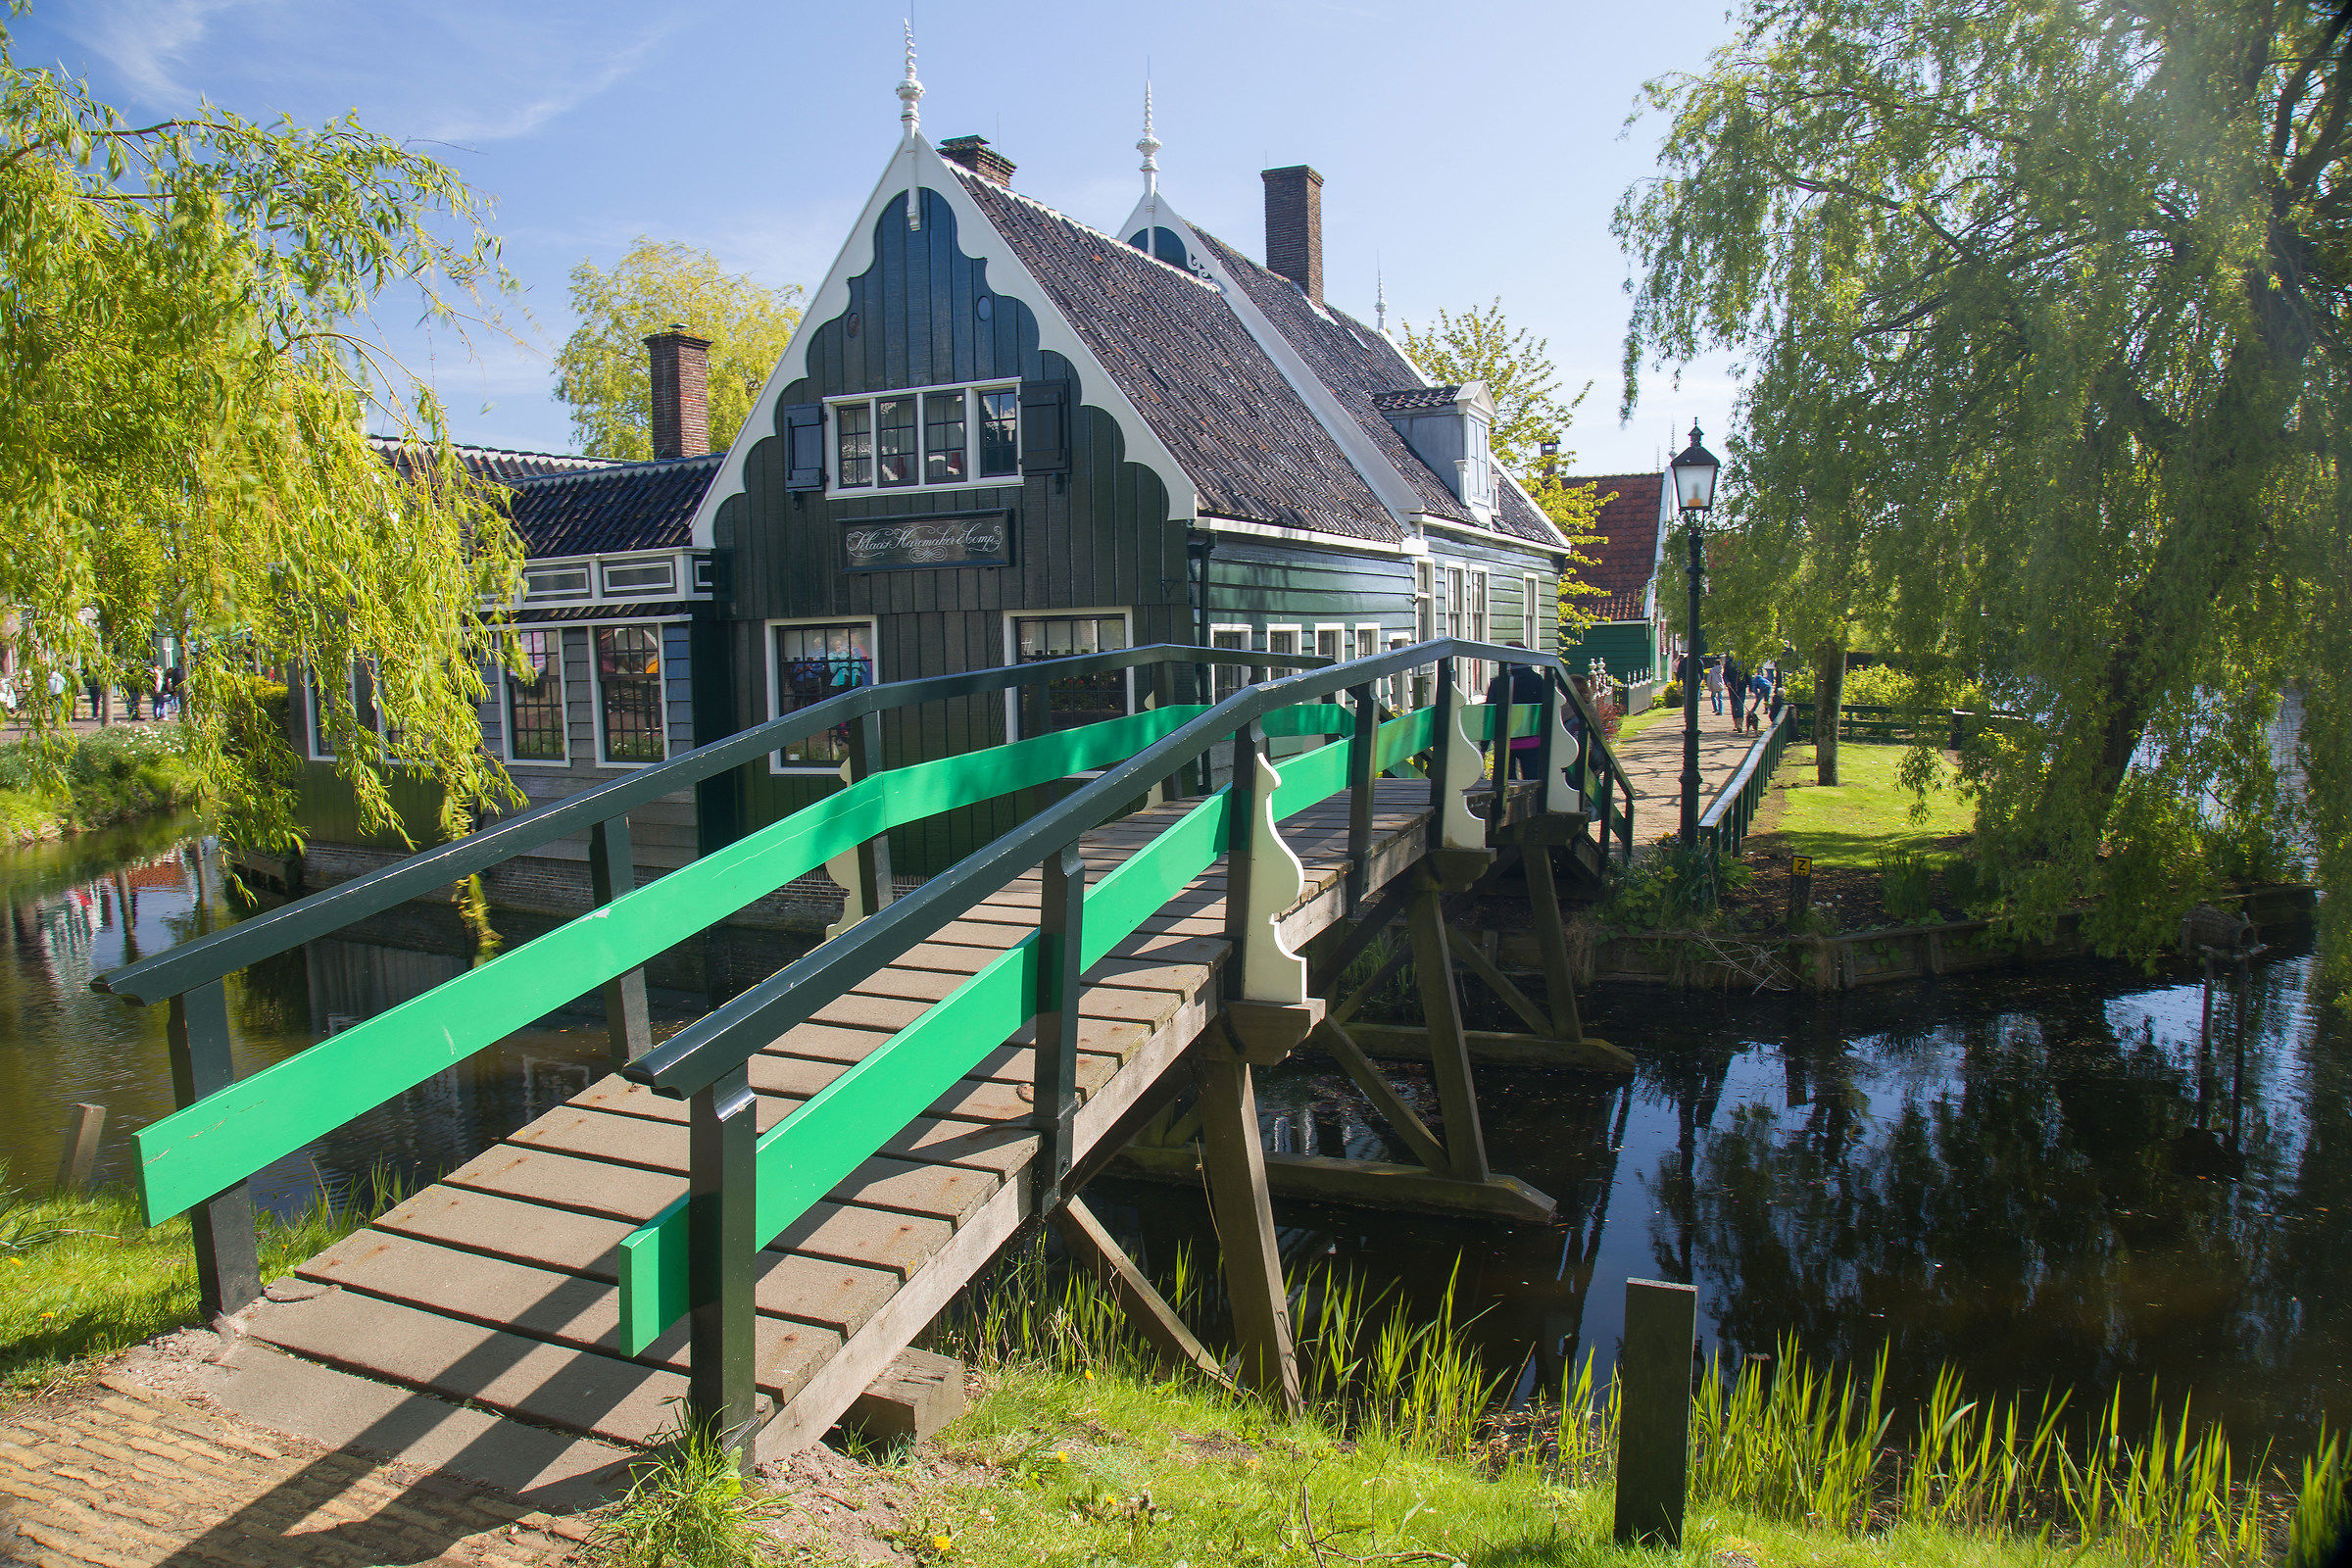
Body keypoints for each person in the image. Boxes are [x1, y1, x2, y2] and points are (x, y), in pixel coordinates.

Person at [1485, 643, 1548, 779]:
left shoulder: (1498, 683)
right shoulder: (1537, 680)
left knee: (1505, 782)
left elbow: (1490, 713)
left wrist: (1484, 745)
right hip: (1532, 740)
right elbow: (1547, 711)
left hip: (1505, 740)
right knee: (1532, 780)